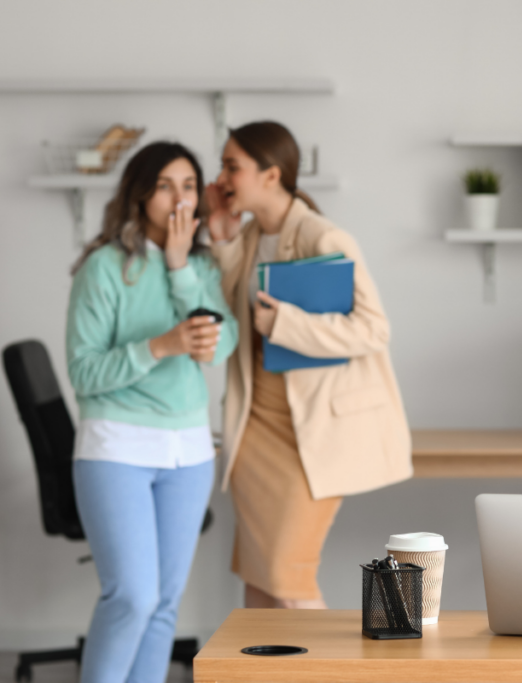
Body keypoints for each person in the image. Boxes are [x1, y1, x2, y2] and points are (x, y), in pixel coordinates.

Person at [205, 121, 412, 609]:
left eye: (232, 166)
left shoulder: (324, 236)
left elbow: (373, 329)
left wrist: (286, 324)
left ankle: (319, 657)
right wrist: (223, 240)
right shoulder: (250, 236)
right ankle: (259, 657)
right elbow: (229, 316)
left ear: (271, 174)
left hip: (308, 434)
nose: (222, 178)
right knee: (259, 577)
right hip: (257, 427)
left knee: (288, 578)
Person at [66, 142, 239, 683]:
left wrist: (180, 268)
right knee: (133, 597)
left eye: (188, 186)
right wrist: (159, 347)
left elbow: (222, 345)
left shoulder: (201, 267)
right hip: (115, 449)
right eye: (165, 186)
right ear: (140, 195)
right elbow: (84, 372)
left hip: (188, 453)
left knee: (164, 602)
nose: (179, 198)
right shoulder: (104, 268)